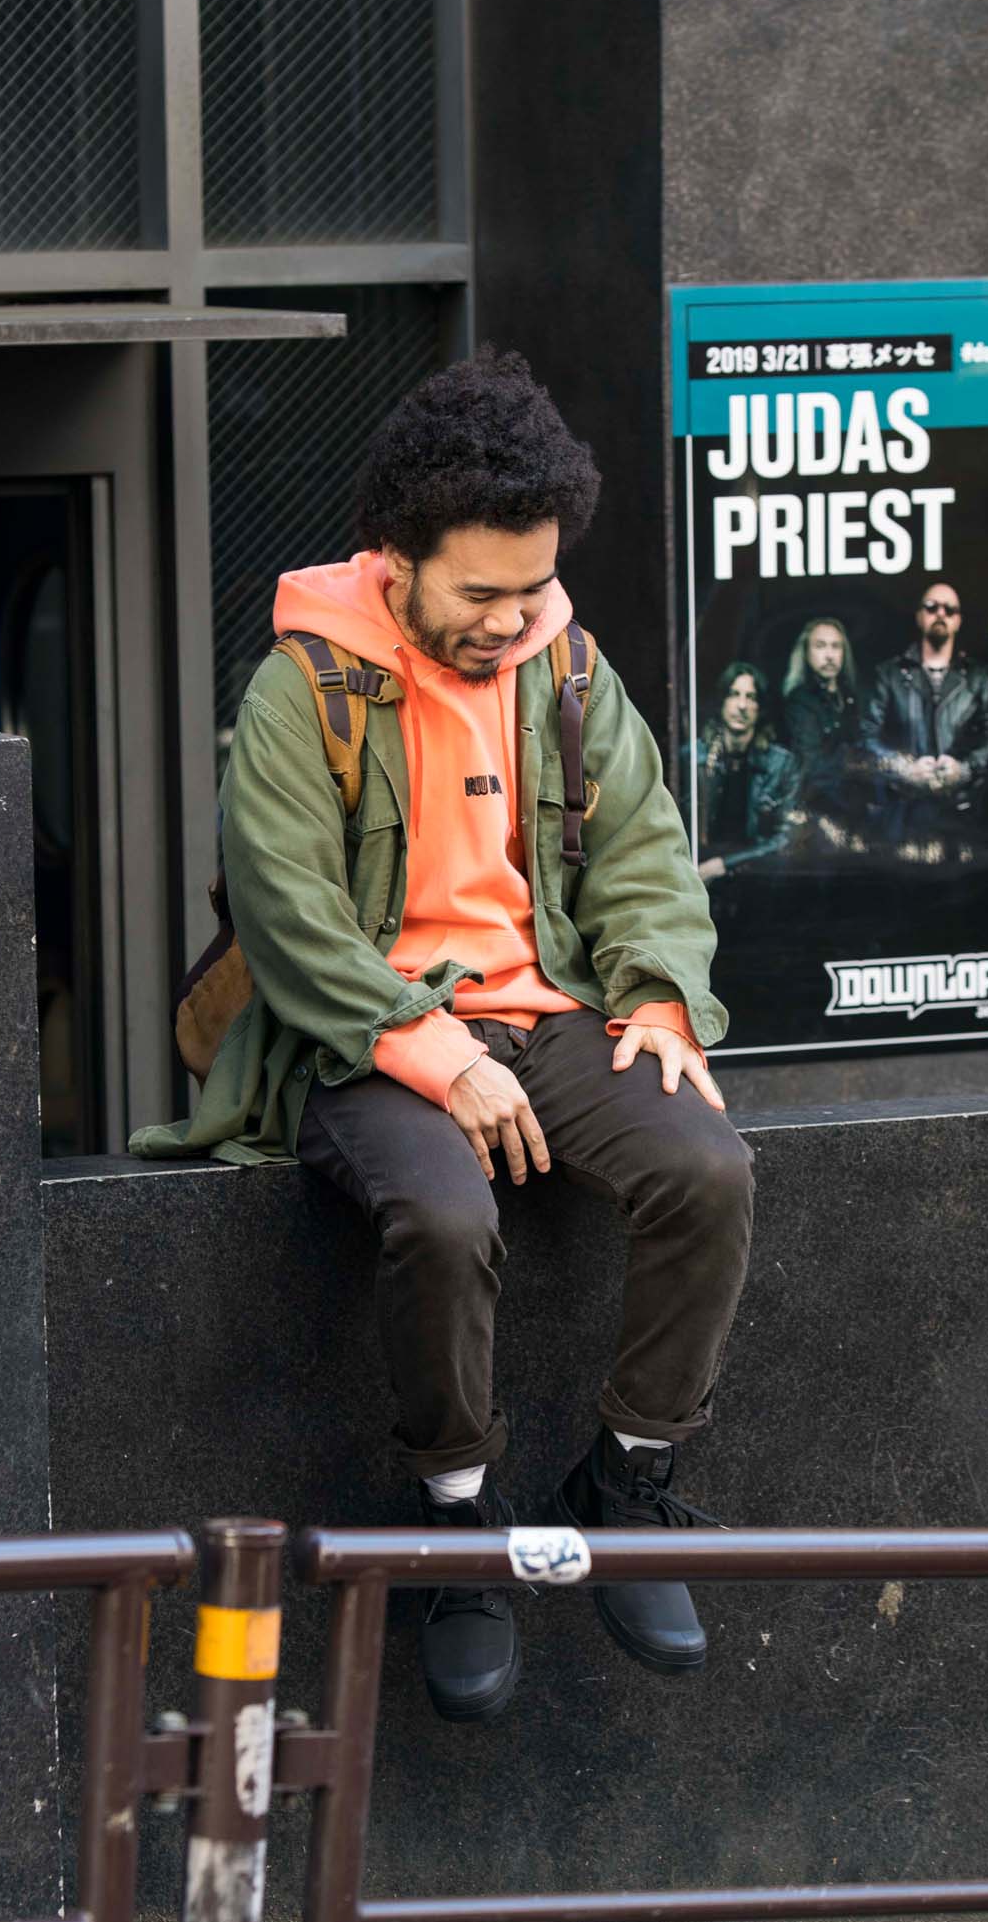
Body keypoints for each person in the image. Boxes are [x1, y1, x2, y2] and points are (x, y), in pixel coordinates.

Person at [132, 349, 753, 1722]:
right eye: (480, 594)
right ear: (398, 559)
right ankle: (457, 1523)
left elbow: (645, 856)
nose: (510, 620)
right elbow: (291, 920)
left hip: (547, 1007)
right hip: (362, 1041)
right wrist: (435, 1051)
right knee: (444, 1215)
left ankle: (628, 1482)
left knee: (708, 1170)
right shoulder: (303, 685)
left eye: (533, 588)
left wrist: (658, 996)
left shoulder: (565, 664)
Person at [860, 583, 988, 855]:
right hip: (904, 814)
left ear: (958, 621)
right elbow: (867, 735)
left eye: (949, 610)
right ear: (919, 616)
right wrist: (904, 768)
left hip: (963, 815)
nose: (941, 614)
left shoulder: (978, 677)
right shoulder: (889, 674)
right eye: (932, 607)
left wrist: (965, 769)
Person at [694, 663, 801, 881]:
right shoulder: (694, 758)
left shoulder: (781, 764)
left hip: (755, 877)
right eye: (734, 694)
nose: (742, 705)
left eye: (751, 697)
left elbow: (786, 838)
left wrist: (724, 865)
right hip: (697, 876)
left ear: (759, 708)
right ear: (722, 701)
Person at [780, 619, 861, 822]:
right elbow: (811, 765)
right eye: (820, 646)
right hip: (815, 808)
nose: (829, 655)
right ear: (806, 653)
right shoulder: (799, 701)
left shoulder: (850, 698)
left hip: (852, 803)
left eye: (836, 646)